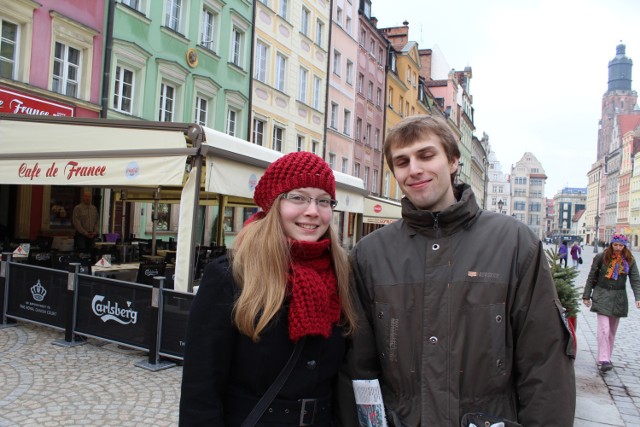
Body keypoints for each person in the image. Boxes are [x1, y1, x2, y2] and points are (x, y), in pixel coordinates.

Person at [339, 115, 576, 427]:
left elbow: (544, 363)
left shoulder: (514, 243)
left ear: (452, 161)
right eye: (402, 161)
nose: (414, 169)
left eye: (426, 155)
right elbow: (359, 368)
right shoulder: (370, 254)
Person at [179, 151, 358, 426]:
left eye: (323, 201)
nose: (313, 211)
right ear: (273, 203)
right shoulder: (232, 274)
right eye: (298, 197)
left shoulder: (341, 273)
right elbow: (201, 388)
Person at [582, 233, 640, 372]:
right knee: (604, 329)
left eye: (621, 245)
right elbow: (591, 276)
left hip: (618, 298)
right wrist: (586, 295)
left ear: (624, 246)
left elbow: (635, 279)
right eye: (616, 245)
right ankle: (603, 359)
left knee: (612, 331)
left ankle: (606, 357)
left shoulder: (629, 260)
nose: (618, 248)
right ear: (611, 244)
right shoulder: (601, 257)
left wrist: (638, 297)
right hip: (602, 295)